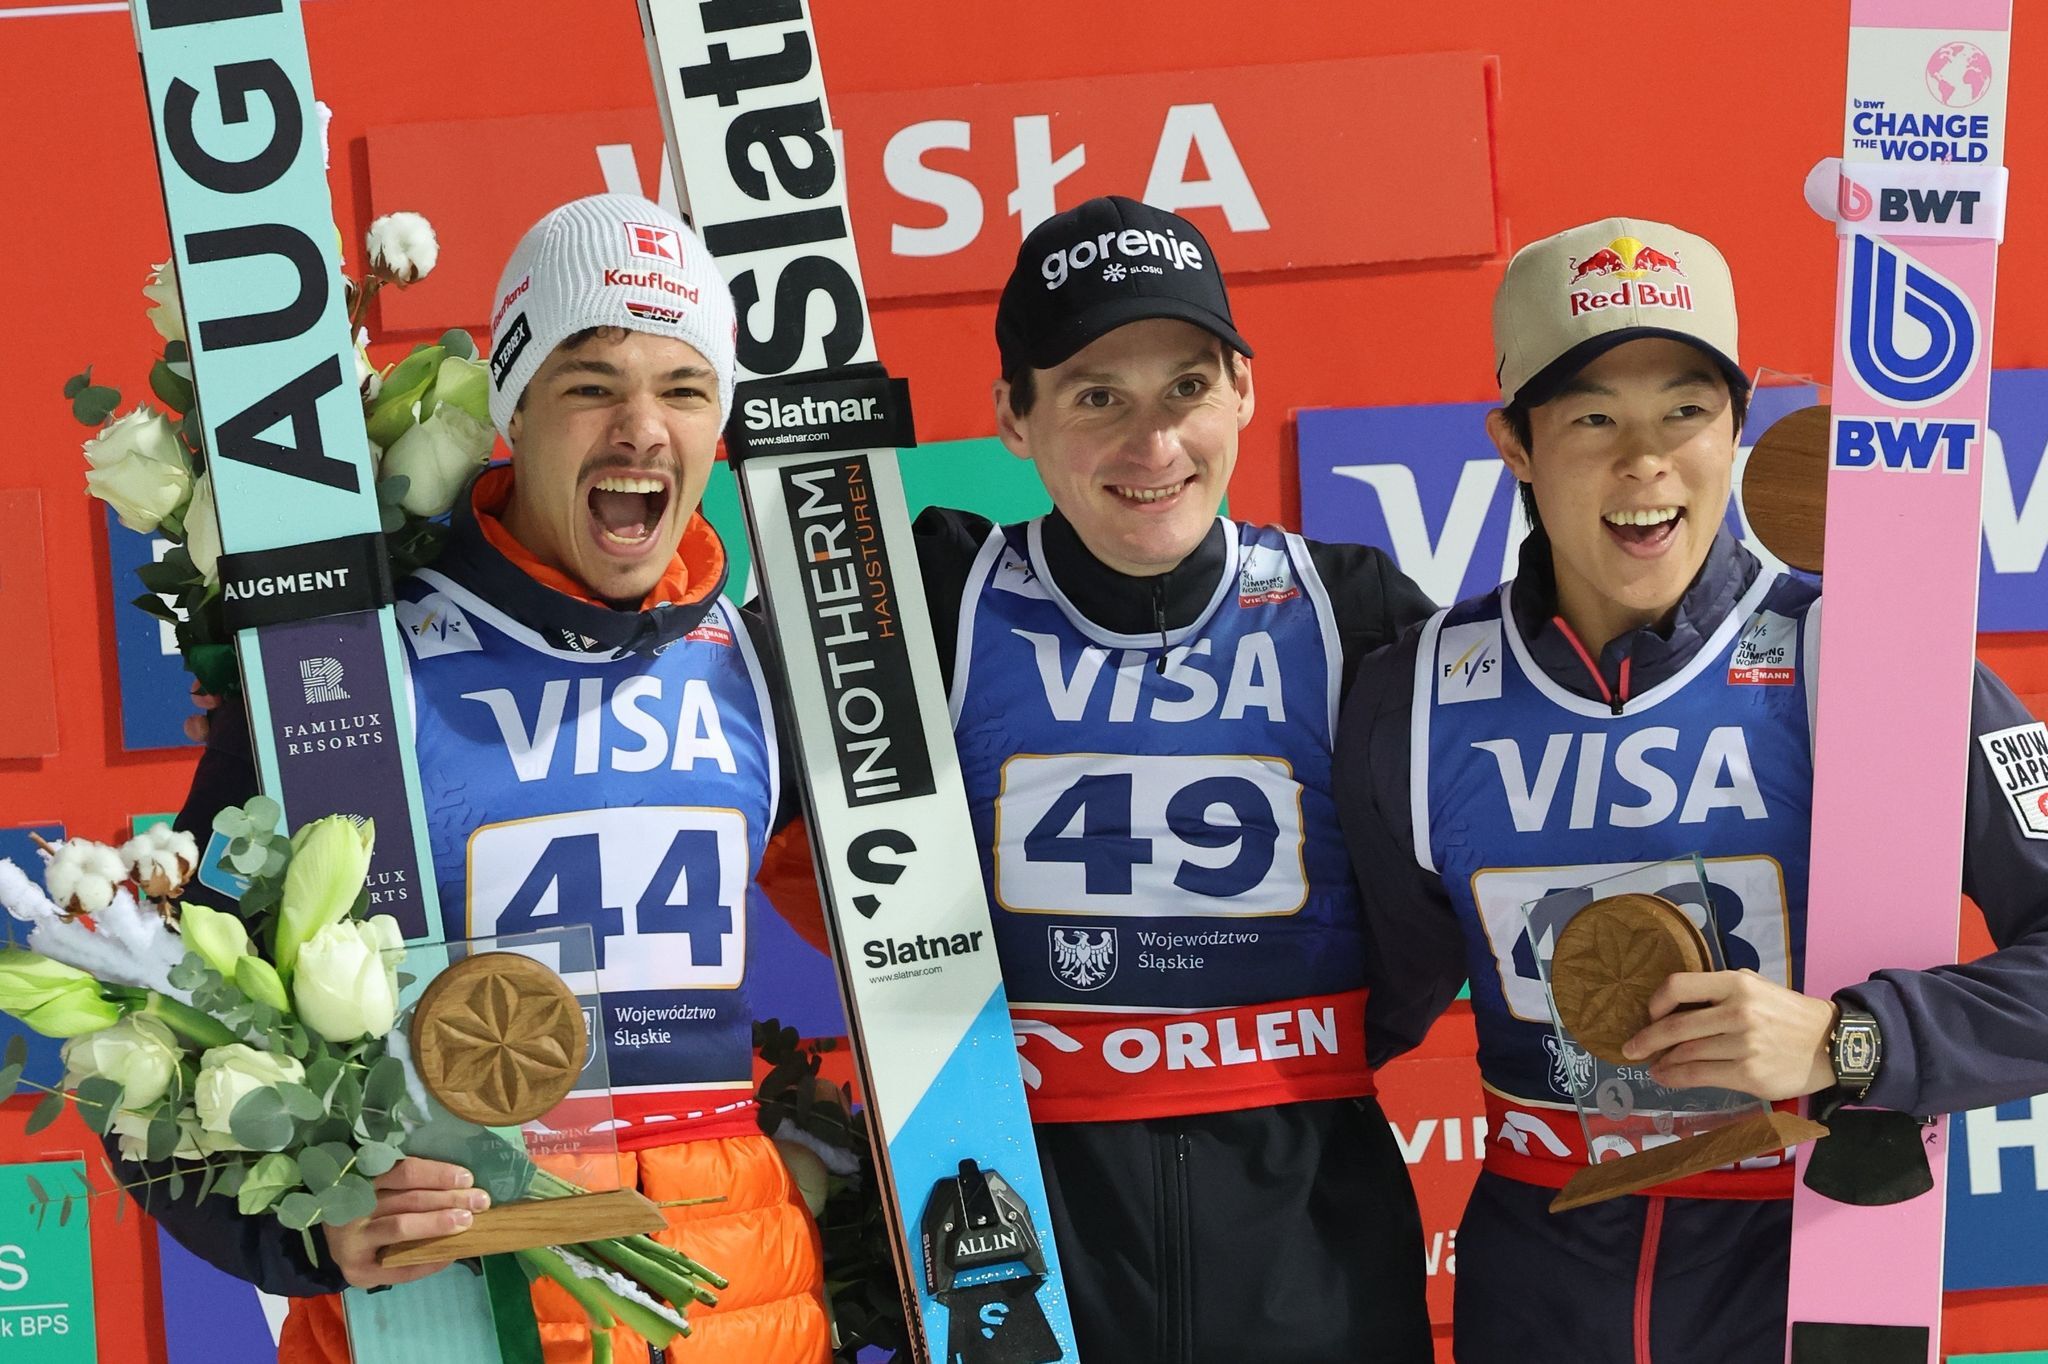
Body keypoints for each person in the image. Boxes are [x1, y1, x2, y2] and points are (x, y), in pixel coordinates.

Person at [1334, 216, 2048, 1362]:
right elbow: (1358, 1004)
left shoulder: (1867, 658)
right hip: (1535, 1297)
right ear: (1513, 442)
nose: (1644, 460)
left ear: (1736, 425)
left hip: (1814, 1276)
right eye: (1591, 418)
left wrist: (1851, 1039)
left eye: (1683, 410)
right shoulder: (1411, 698)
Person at [143, 195, 831, 1364]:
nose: (641, 428)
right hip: (453, 1314)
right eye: (591, 383)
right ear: (512, 405)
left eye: (684, 388)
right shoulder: (357, 676)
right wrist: (310, 1231)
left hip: (741, 1312)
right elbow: (163, 1030)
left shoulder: (758, 666)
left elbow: (915, 934)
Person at [913, 195, 1439, 1362]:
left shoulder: (1348, 610)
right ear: (1011, 416)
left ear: (1242, 388)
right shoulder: (939, 596)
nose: (1152, 446)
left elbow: (1471, 873)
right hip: (1024, 1236)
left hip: (1310, 1243)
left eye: (1185, 389)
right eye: (1096, 397)